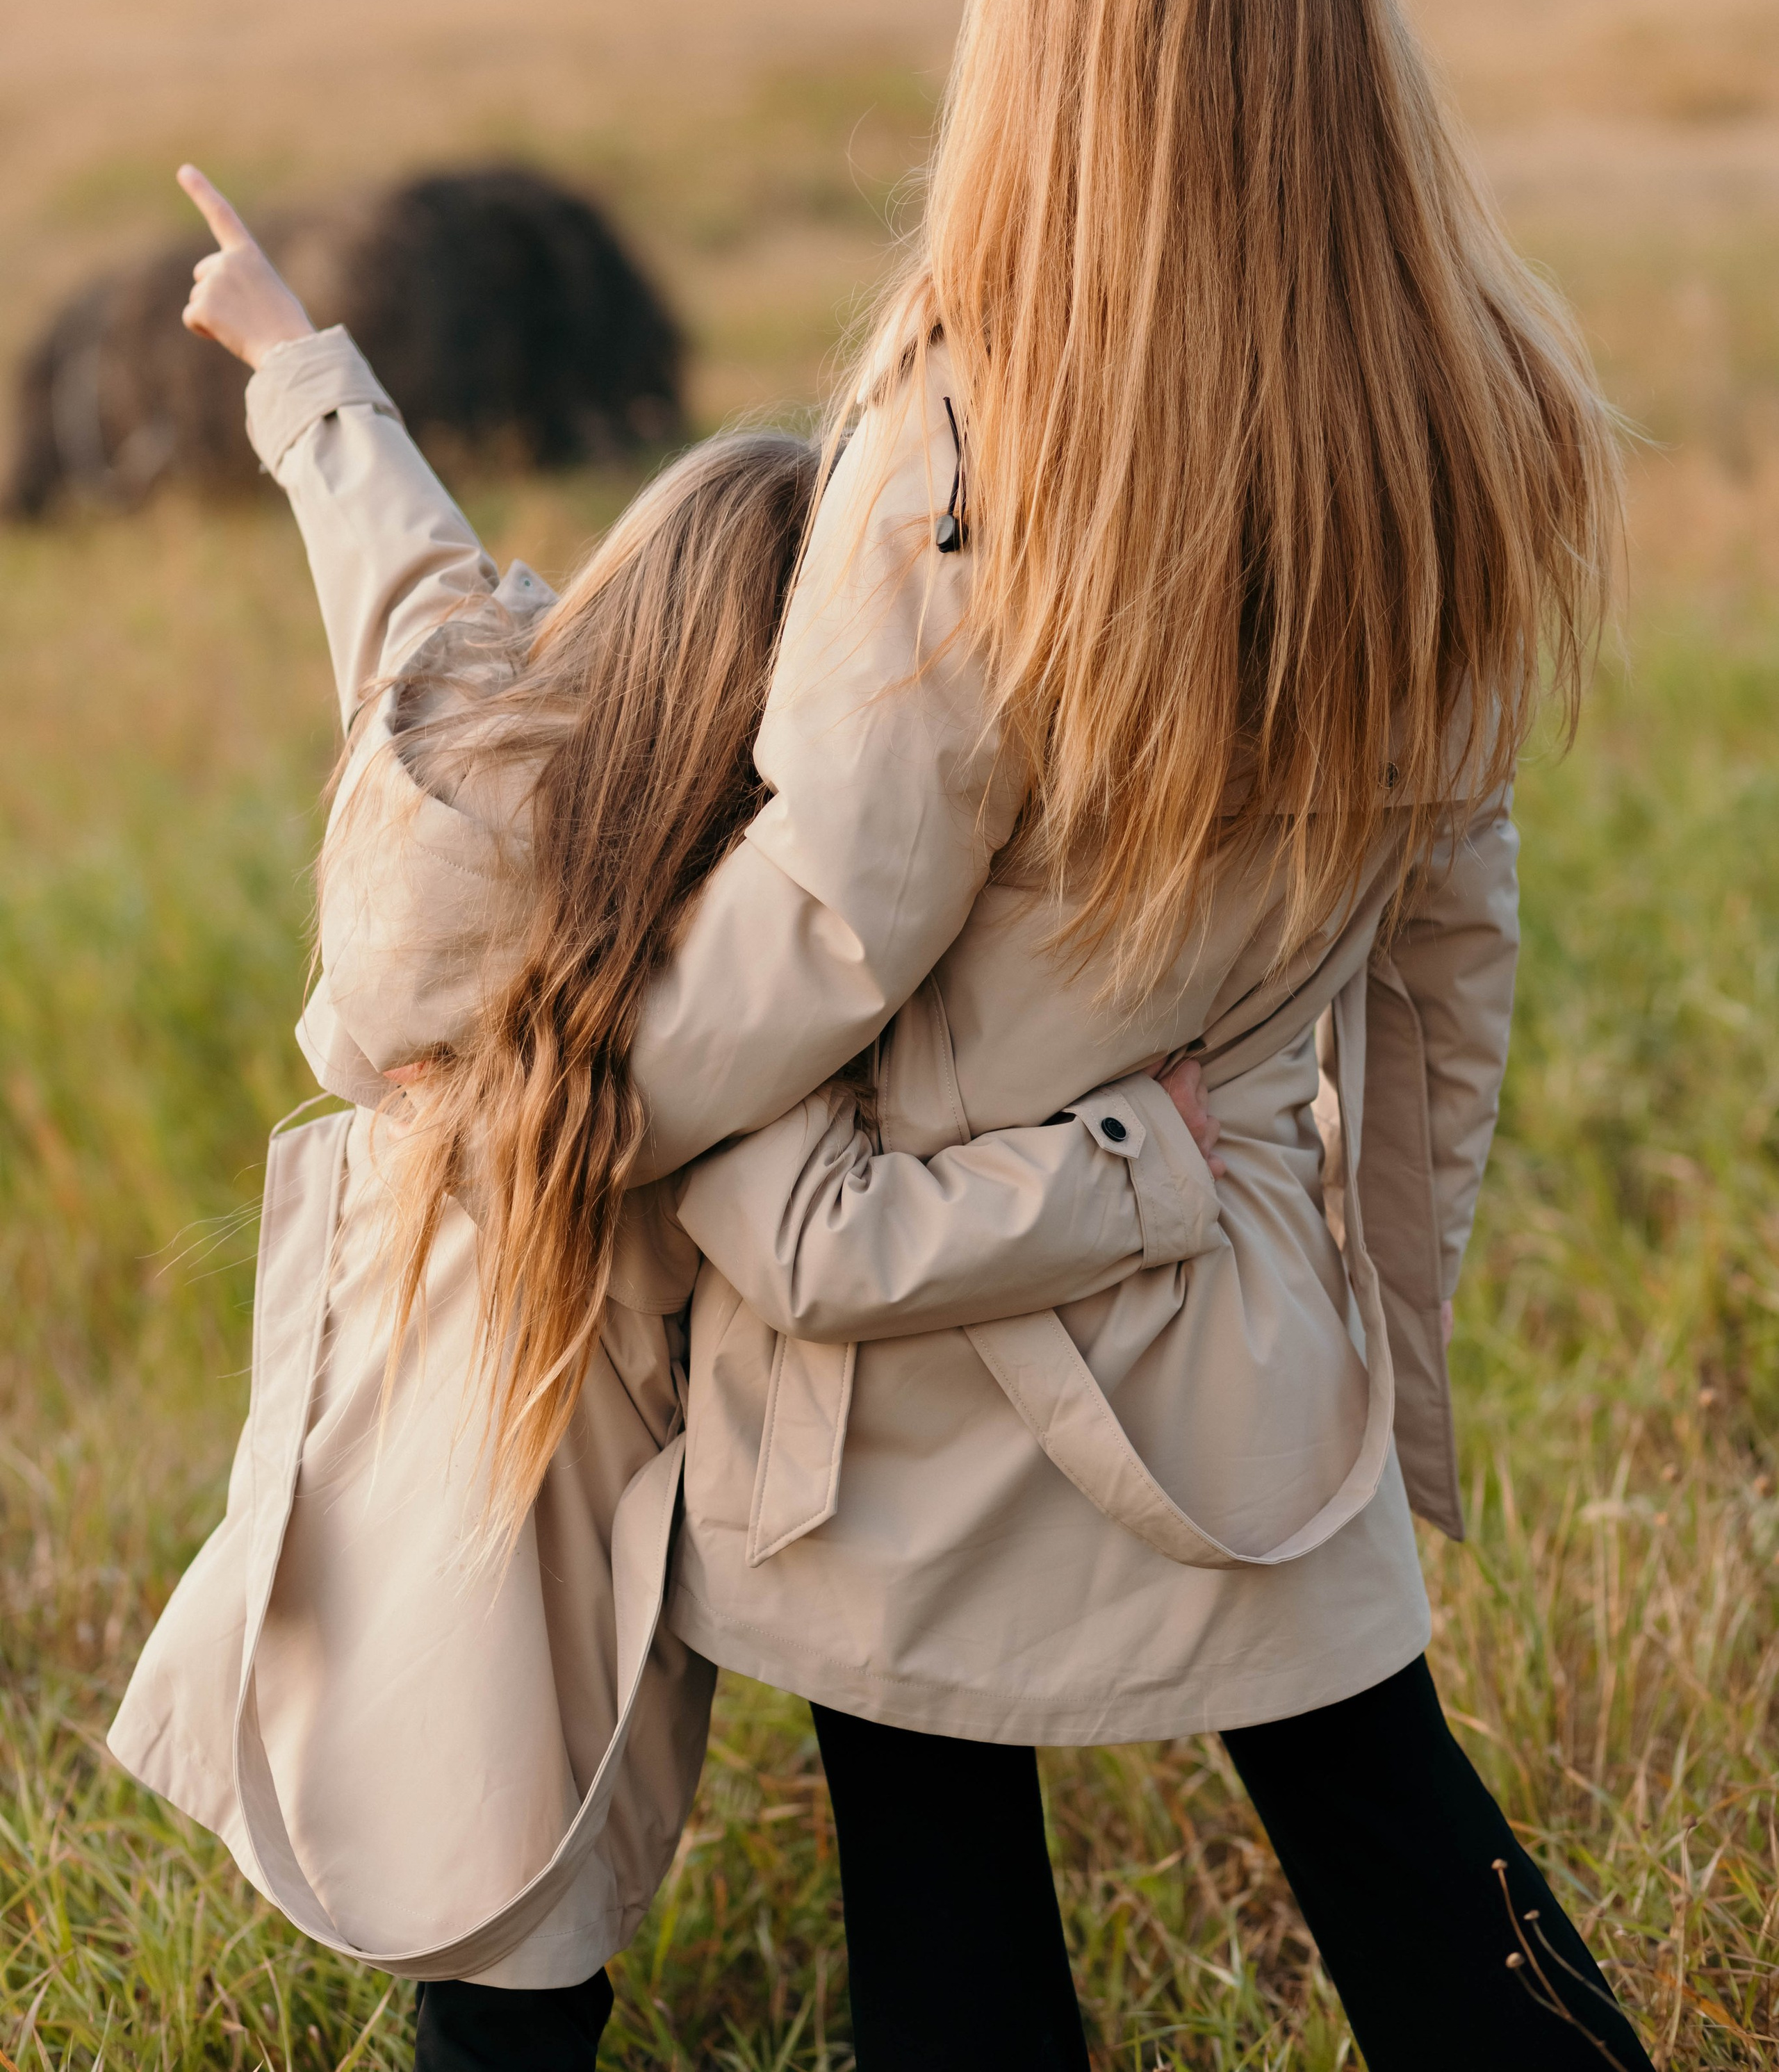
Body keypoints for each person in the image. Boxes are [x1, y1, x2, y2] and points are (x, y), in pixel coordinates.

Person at [111, 171, 1234, 2066]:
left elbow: (400, 566)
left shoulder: (468, 734)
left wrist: (298, 358)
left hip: (369, 1466)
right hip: (543, 1535)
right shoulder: (685, 1025)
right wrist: (1143, 1166)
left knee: (478, 1959)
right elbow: (842, 1235)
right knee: (521, 1925)